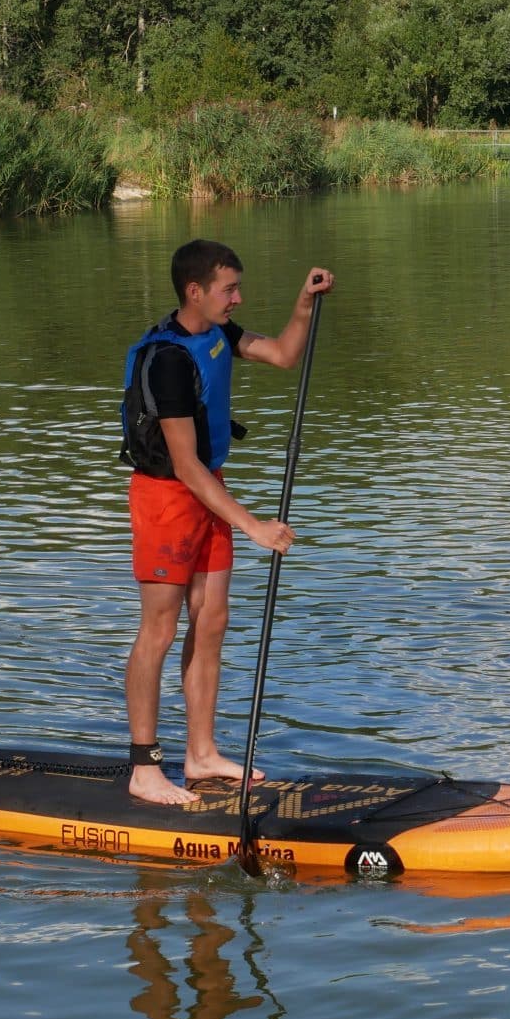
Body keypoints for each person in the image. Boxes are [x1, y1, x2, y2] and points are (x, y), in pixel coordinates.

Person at [119, 239, 334, 805]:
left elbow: (286, 354)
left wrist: (304, 304)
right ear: (196, 291)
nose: (237, 298)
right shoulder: (167, 360)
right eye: (228, 289)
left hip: (209, 493)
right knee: (159, 631)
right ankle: (145, 769)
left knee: (211, 618)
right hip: (167, 499)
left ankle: (201, 754)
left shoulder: (218, 334)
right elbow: (185, 465)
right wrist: (254, 526)